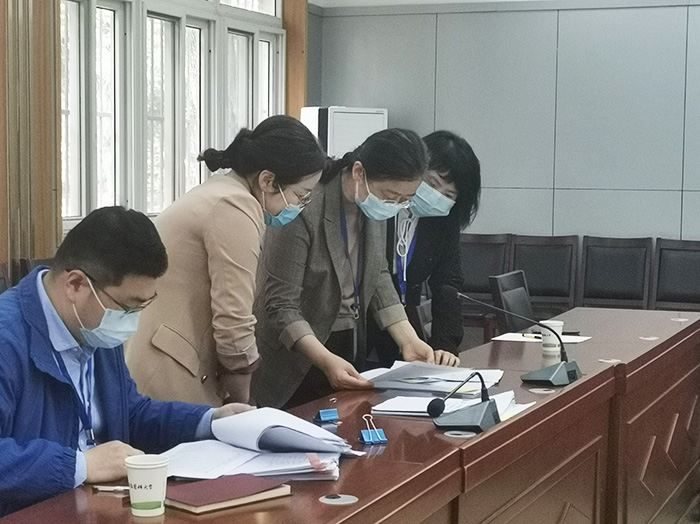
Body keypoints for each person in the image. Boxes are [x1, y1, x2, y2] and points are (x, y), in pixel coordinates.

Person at [0, 207, 252, 517]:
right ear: (76, 284)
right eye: (128, 308)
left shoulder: (93, 327)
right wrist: (79, 465)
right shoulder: (7, 338)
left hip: (99, 506)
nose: (132, 322)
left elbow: (129, 413)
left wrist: (210, 421)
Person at [251, 128, 460, 409]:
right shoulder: (304, 203)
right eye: (391, 195)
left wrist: (409, 340)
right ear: (359, 172)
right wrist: (326, 360)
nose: (396, 206)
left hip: (348, 344)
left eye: (406, 199)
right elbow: (280, 304)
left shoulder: (376, 205)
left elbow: (379, 274)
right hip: (295, 359)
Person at [125, 115, 326, 406]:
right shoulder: (235, 207)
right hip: (167, 363)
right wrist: (243, 403)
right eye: (301, 195)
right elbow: (234, 319)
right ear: (268, 180)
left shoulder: (222, 190)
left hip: (163, 350)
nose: (300, 206)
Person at [369, 131, 481, 366]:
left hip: (405, 326)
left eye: (448, 195)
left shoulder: (442, 220)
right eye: (432, 183)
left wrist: (445, 344)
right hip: (362, 318)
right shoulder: (381, 204)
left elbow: (448, 282)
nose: (436, 196)